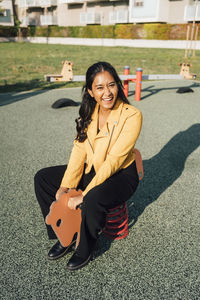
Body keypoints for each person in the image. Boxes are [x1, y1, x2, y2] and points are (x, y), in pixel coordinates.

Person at [34, 61, 142, 271]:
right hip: (95, 169)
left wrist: (84, 194)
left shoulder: (132, 115)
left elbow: (114, 162)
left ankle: (85, 247)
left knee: (93, 197)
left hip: (121, 176)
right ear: (91, 92)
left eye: (111, 85)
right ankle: (62, 234)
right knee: (43, 178)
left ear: (118, 85)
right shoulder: (89, 112)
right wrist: (65, 187)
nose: (107, 92)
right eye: (99, 87)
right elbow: (79, 151)